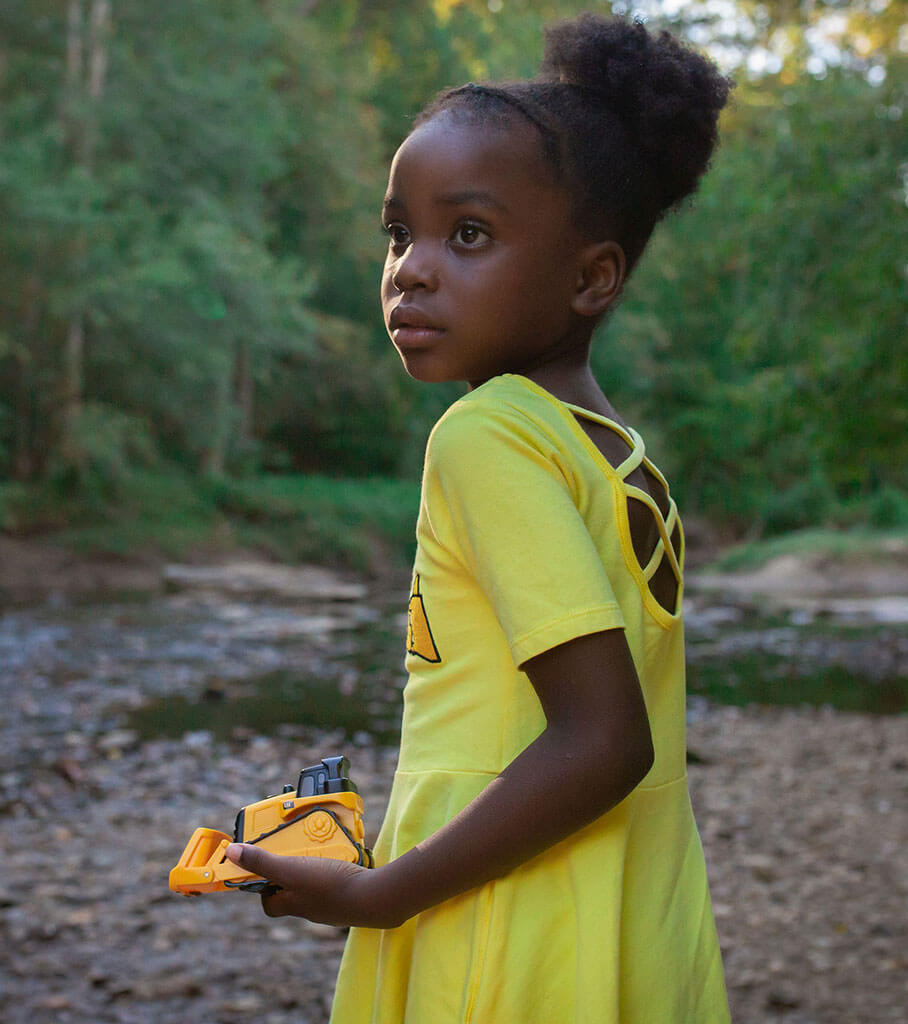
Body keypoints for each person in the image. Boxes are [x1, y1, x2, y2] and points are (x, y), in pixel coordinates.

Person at [226, 13, 733, 1023]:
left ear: (592, 277)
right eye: (398, 232)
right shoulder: (618, 455)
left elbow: (601, 739)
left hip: (510, 927)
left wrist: (375, 894)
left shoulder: (487, 434)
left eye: (468, 235)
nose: (411, 267)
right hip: (622, 915)